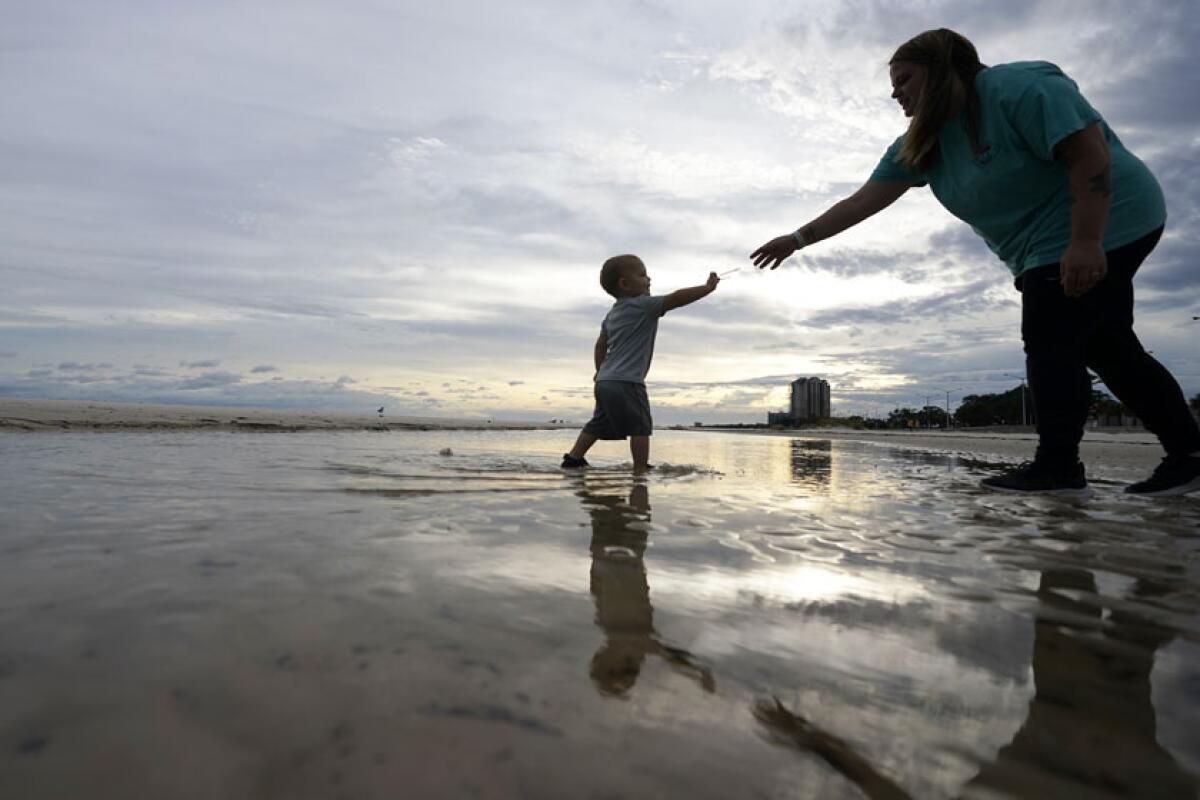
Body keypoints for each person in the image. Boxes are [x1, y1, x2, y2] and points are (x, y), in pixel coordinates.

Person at [750, 28, 1200, 496]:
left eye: (904, 79)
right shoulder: (922, 143)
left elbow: (1089, 153)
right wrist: (797, 239)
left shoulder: (1016, 87)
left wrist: (1086, 240)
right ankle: (1188, 455)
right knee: (1108, 347)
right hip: (1040, 247)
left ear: (942, 70)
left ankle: (1058, 468)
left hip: (1109, 215)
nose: (894, 92)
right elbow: (863, 201)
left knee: (1051, 334)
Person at [562, 255, 719, 472]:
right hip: (628, 382)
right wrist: (707, 288)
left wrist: (600, 372)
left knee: (599, 422)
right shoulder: (644, 306)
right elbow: (675, 298)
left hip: (605, 381)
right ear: (625, 284)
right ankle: (640, 468)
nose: (649, 279)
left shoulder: (612, 314)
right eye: (643, 275)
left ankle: (574, 457)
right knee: (641, 426)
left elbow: (600, 345)